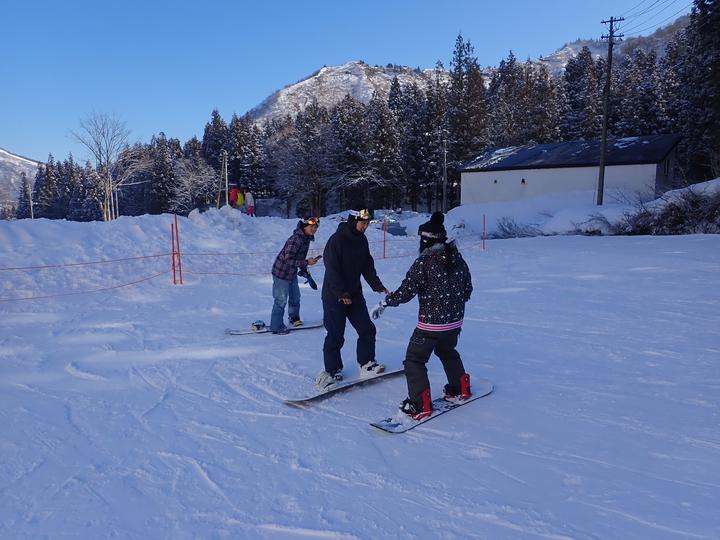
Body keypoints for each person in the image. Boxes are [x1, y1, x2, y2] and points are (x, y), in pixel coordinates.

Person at [370, 217, 473, 420]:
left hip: (431, 324)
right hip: (454, 322)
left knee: (414, 359)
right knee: (447, 350)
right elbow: (467, 290)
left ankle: (419, 404)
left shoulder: (424, 262)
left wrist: (385, 303)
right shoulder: (458, 258)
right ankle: (460, 387)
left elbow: (406, 292)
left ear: (425, 240)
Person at [315, 204, 389, 389]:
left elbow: (367, 266)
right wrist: (341, 293)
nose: (365, 226)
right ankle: (332, 370)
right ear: (353, 220)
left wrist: (377, 285)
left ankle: (366, 363)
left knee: (367, 329)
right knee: (335, 335)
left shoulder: (362, 240)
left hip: (354, 294)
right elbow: (332, 270)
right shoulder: (337, 240)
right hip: (334, 296)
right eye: (362, 223)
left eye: (367, 223)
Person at [270, 217, 321, 334]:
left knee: (295, 297)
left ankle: (294, 318)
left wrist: (304, 269)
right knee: (280, 300)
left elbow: (299, 257)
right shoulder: (296, 239)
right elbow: (287, 259)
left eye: (316, 227)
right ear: (305, 226)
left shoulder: (306, 238)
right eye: (311, 226)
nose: (314, 229)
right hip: (281, 273)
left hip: (291, 273)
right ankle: (276, 326)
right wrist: (307, 262)